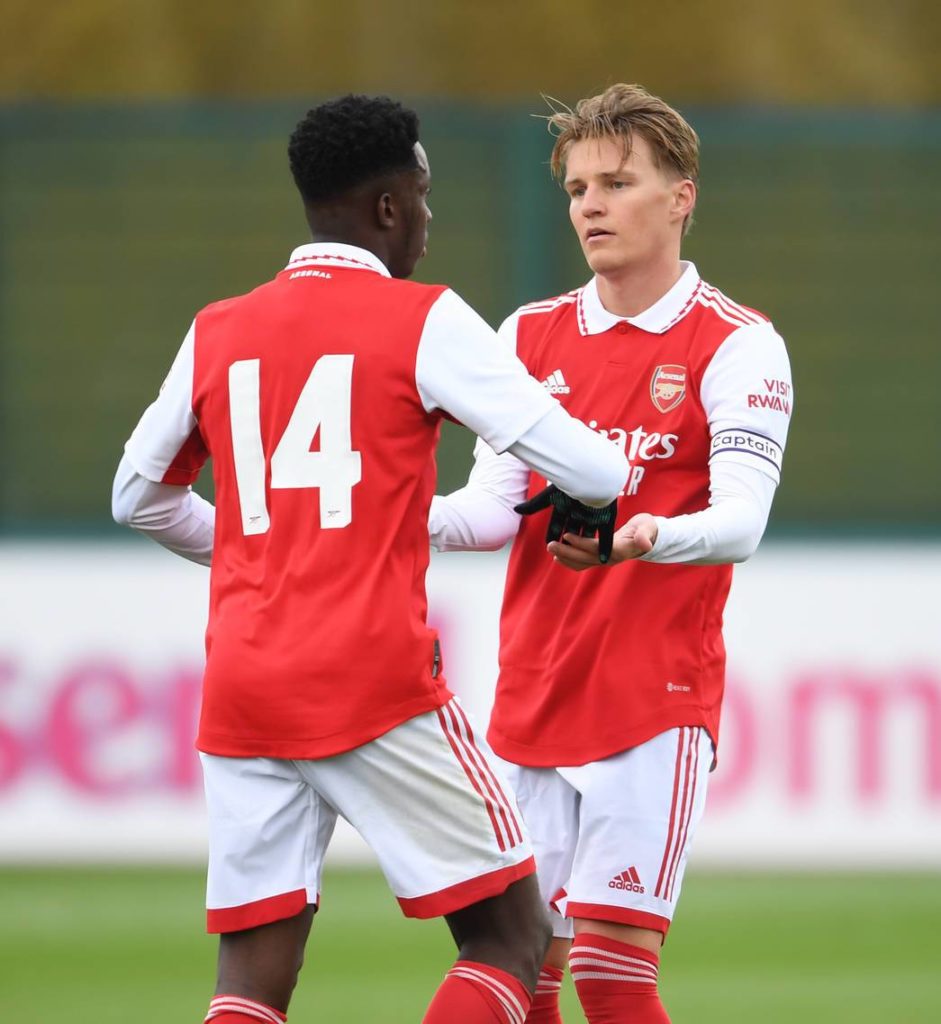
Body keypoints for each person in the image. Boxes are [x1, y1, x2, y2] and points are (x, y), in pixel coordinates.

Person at [111, 94, 630, 1024]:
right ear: (389, 206)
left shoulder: (217, 328)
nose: (429, 225)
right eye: (423, 200)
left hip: (242, 689)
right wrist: (609, 480)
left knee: (249, 981)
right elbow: (588, 462)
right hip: (369, 679)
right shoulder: (422, 318)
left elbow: (136, 497)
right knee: (510, 937)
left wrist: (246, 548)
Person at [429, 83, 793, 1024]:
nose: (589, 204)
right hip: (533, 693)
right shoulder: (526, 335)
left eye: (616, 182)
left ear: (681, 197)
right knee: (519, 969)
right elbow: (487, 513)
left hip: (651, 698)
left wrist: (644, 536)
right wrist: (388, 517)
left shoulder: (737, 344)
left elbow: (742, 522)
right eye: (576, 187)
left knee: (611, 974)